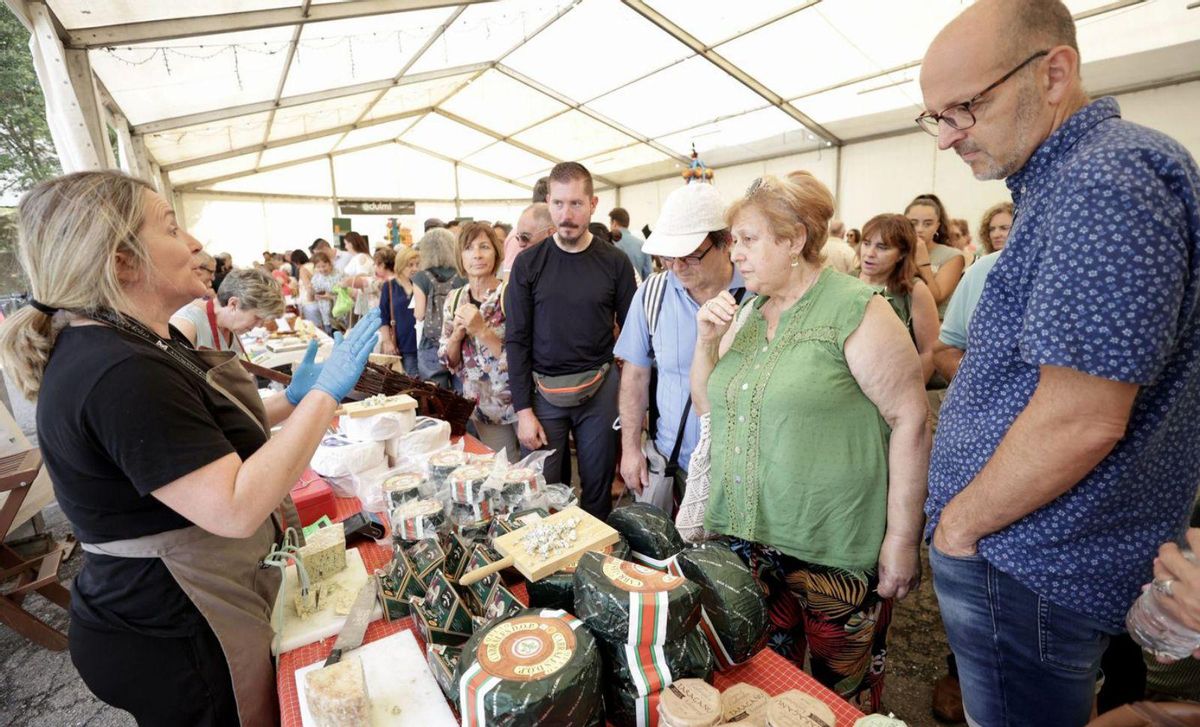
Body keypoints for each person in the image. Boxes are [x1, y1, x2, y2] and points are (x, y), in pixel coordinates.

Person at [0, 170, 379, 725]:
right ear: (122, 261)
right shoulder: (119, 370)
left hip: (180, 604)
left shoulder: (140, 339)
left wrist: (290, 402)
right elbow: (234, 505)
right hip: (171, 624)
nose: (196, 246)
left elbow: (191, 438)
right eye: (172, 228)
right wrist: (324, 397)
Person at [918, 0, 1200, 724]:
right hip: (1030, 552)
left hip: (1033, 560)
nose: (948, 138)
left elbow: (1081, 417)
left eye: (964, 110)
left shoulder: (1103, 181)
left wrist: (960, 525)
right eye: (937, 118)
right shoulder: (1069, 178)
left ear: (1054, 74)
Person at [691, 173, 929, 711]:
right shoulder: (748, 311)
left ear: (795, 239)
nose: (737, 254)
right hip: (748, 540)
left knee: (836, 698)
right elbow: (711, 406)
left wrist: (901, 539)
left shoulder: (857, 308)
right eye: (735, 241)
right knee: (762, 681)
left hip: (831, 549)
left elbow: (911, 420)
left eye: (748, 239)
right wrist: (705, 342)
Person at [505, 162, 637, 519]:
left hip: (599, 392)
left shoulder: (616, 262)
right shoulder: (528, 265)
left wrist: (633, 405)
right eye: (559, 204)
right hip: (543, 394)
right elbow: (515, 340)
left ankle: (594, 565)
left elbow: (634, 335)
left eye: (576, 204)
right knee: (546, 495)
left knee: (597, 494)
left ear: (593, 204)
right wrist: (523, 411)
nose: (567, 214)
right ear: (548, 202)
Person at [614, 182, 743, 512]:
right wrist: (630, 449)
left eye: (690, 255)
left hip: (743, 472)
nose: (677, 266)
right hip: (672, 463)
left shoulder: (760, 296)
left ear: (726, 241)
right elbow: (635, 377)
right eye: (668, 255)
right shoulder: (653, 294)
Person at [439, 223, 518, 459]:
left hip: (522, 402)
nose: (477, 255)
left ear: (496, 253)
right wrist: (456, 336)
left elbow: (521, 358)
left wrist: (482, 330)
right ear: (460, 256)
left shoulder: (511, 295)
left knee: (538, 469)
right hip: (484, 406)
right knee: (504, 467)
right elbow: (448, 361)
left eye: (484, 247)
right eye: (469, 248)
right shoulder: (454, 299)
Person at [857, 213, 940, 383]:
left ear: (901, 254)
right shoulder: (846, 281)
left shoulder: (914, 289)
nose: (870, 253)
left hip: (897, 383)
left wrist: (908, 393)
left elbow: (929, 351)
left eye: (882, 247)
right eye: (866, 244)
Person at [171, 268, 284, 355]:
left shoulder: (231, 325)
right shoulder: (187, 324)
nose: (260, 325)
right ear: (233, 304)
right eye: (258, 317)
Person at [412, 227, 466, 390]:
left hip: (431, 342)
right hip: (458, 338)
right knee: (462, 391)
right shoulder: (462, 275)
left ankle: (440, 417)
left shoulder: (421, 277)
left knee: (435, 393)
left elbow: (420, 314)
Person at [906, 194, 964, 317]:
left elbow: (935, 299)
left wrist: (923, 261)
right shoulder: (898, 252)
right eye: (913, 223)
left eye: (927, 224)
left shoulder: (952, 256)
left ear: (937, 226)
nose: (919, 229)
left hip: (934, 326)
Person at [379, 246, 420, 377]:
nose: (415, 268)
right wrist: (387, 341)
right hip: (403, 345)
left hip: (424, 345)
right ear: (401, 265)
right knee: (412, 383)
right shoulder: (390, 286)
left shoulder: (422, 284)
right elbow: (383, 316)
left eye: (417, 264)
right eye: (410, 265)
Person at [501, 202, 555, 277]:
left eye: (525, 237)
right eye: (517, 238)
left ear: (550, 233)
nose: (520, 244)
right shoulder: (522, 267)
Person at [609, 207, 652, 281]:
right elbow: (648, 275)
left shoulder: (609, 243)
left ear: (614, 223)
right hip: (638, 290)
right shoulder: (642, 245)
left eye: (610, 224)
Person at [309, 251, 343, 334]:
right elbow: (313, 295)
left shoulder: (339, 275)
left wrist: (331, 297)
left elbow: (347, 294)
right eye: (318, 267)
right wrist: (312, 292)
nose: (322, 269)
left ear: (330, 263)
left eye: (324, 266)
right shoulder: (316, 277)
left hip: (340, 314)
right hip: (325, 314)